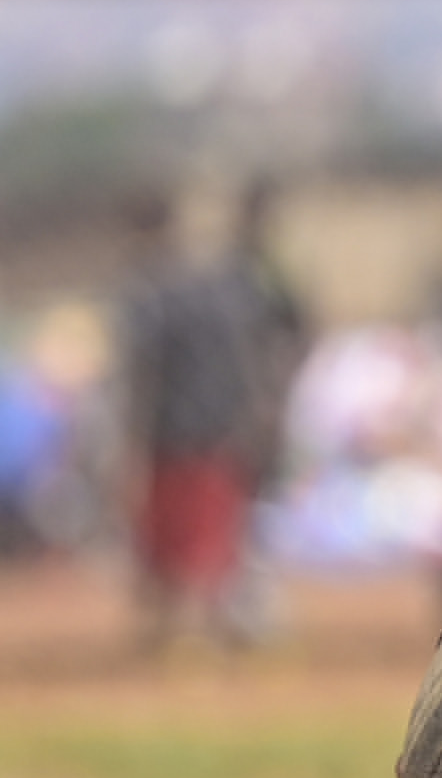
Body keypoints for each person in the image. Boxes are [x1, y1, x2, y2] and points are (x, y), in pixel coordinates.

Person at [118, 183, 306, 649]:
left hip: (189, 429)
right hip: (214, 426)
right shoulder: (227, 284)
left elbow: (147, 372)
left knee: (195, 535)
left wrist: (131, 435)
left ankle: (188, 630)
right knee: (200, 534)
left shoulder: (164, 291)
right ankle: (195, 628)